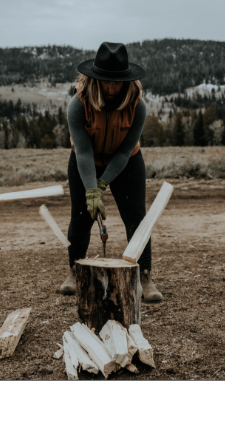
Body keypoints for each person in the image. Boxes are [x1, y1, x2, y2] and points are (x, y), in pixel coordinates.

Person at [58, 42, 162, 302]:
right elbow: (82, 152)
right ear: (95, 79)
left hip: (125, 161)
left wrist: (103, 184)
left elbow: (125, 152)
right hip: (86, 160)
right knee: (81, 218)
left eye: (117, 82)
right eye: (106, 82)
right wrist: (92, 189)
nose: (112, 88)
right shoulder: (78, 104)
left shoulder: (137, 106)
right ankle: (74, 271)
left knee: (137, 218)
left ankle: (145, 276)